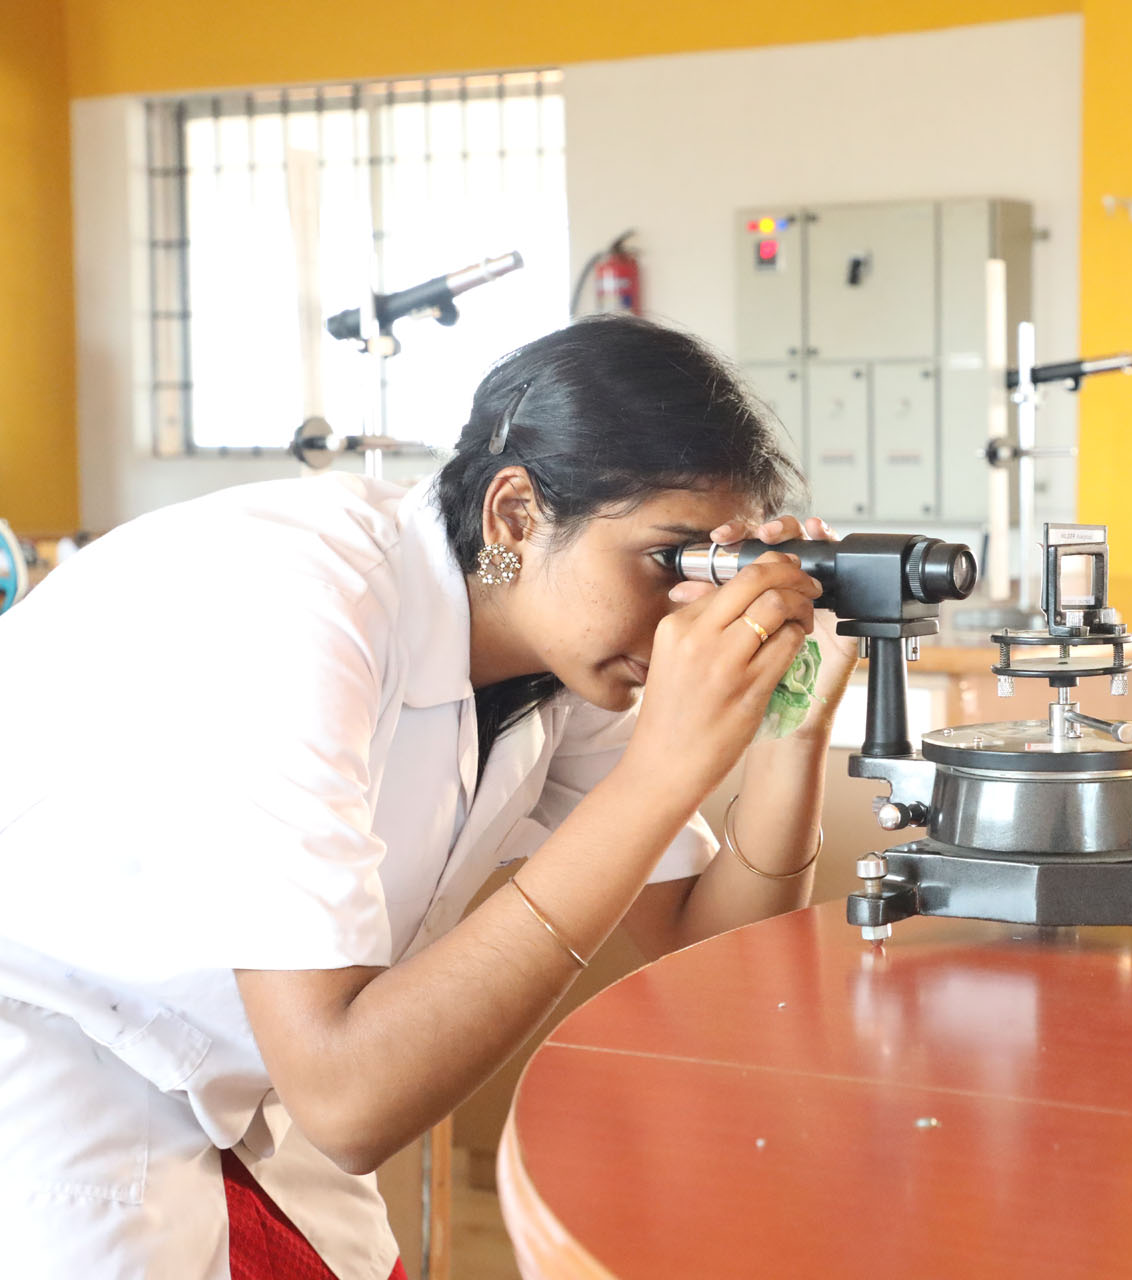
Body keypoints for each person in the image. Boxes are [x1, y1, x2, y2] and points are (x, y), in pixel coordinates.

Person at [0, 315, 855, 1279]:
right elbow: (349, 1100)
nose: (686, 613)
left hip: (235, 1079)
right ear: (515, 515)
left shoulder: (565, 655)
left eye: (715, 570)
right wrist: (662, 774)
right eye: (670, 559)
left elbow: (718, 968)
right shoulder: (307, 607)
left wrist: (794, 733)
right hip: (51, 1053)